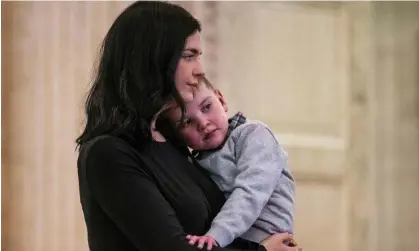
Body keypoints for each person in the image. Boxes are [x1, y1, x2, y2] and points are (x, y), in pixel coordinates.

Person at [76, 1, 300, 251]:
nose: (200, 70)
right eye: (189, 56)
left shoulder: (174, 143)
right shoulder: (109, 153)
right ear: (153, 60)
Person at [158, 77, 296, 250]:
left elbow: (251, 192)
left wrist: (216, 235)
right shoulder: (195, 161)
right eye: (187, 122)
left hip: (268, 238)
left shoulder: (254, 135)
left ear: (221, 100)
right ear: (178, 136)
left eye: (207, 107)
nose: (203, 123)